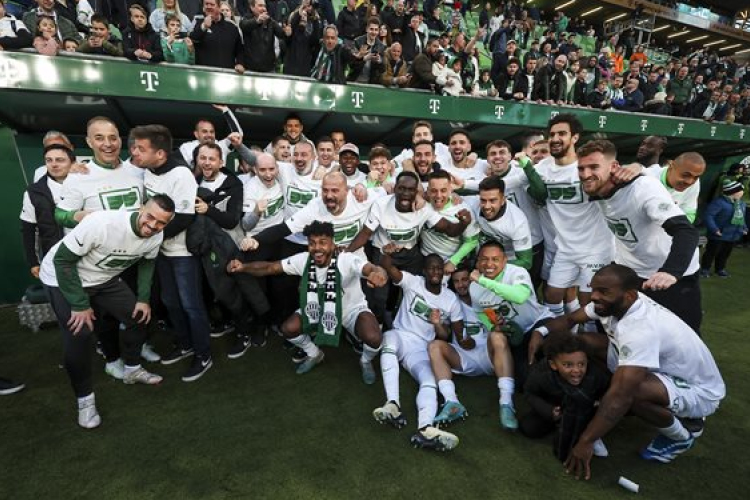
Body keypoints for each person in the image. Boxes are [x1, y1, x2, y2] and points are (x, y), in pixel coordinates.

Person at [548, 264, 725, 478]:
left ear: (630, 295)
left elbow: (621, 396)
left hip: (700, 391)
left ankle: (680, 436)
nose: (594, 296)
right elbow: (570, 319)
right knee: (582, 343)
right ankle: (599, 402)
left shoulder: (639, 329)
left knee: (631, 391)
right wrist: (540, 333)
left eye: (603, 291)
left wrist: (586, 441)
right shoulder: (615, 302)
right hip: (662, 369)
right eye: (593, 289)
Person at [39, 196, 175, 428]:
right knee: (80, 333)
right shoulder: (103, 223)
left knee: (138, 315)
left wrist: (143, 299)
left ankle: (132, 369)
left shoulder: (156, 235)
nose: (153, 225)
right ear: (141, 208)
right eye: (150, 217)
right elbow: (62, 261)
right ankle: (85, 400)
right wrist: (80, 304)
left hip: (103, 278)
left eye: (161, 222)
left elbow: (147, 262)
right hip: (61, 277)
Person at [228, 221, 388, 382]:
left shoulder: (346, 260)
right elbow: (270, 267)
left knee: (374, 337)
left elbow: (371, 268)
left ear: (333, 244)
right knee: (288, 328)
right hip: (317, 310)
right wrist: (243, 267)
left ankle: (365, 361)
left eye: (322, 242)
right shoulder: (303, 260)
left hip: (350, 310)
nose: (317, 248)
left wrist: (378, 273)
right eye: (312, 243)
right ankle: (314, 354)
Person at [577, 139, 702, 332]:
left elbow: (686, 231)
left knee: (681, 334)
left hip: (669, 276)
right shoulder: (595, 186)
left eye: (594, 167)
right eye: (581, 168)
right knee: (615, 330)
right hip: (630, 270)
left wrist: (671, 271)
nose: (586, 174)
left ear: (614, 167)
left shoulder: (642, 188)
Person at [130, 125, 214, 383]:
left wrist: (149, 238)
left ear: (160, 154)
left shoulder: (181, 174)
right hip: (161, 251)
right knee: (171, 302)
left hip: (182, 253)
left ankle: (204, 355)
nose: (134, 152)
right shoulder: (146, 171)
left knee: (191, 305)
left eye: (141, 148)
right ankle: (185, 344)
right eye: (134, 147)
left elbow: (185, 218)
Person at [373, 251, 463, 451]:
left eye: (439, 268)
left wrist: (437, 324)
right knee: (388, 340)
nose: (435, 272)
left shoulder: (450, 299)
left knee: (430, 381)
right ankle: (393, 404)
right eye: (431, 268)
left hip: (422, 348)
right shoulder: (413, 282)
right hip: (401, 336)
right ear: (424, 271)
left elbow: (445, 336)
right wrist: (387, 254)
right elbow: (389, 267)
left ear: (443, 271)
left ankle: (426, 428)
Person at [534, 114, 613, 320]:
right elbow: (512, 179)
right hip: (565, 248)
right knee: (551, 295)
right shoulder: (543, 167)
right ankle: (563, 332)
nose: (555, 138)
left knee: (590, 301)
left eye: (562, 133)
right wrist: (466, 184)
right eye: (552, 134)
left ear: (575, 137)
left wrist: (637, 167)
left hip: (595, 249)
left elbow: (622, 176)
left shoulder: (588, 167)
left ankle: (586, 335)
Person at [521, 332, 610, 461]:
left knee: (585, 415)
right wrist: (549, 410)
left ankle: (590, 434)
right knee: (529, 428)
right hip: (554, 404)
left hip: (586, 407)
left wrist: (599, 403)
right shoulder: (542, 375)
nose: (576, 370)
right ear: (553, 365)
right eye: (568, 365)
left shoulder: (596, 375)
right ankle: (561, 423)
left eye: (581, 364)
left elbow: (608, 393)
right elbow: (529, 393)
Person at [20, 144, 71, 280]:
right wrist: (33, 262)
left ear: (72, 162)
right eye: (49, 160)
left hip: (90, 256)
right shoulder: (34, 192)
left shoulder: (86, 185)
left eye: (60, 160)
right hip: (55, 258)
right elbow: (29, 229)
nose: (54, 164)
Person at [700, 180, 747, 278]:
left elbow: (741, 218)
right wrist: (714, 229)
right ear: (733, 192)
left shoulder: (741, 204)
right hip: (719, 234)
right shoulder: (719, 203)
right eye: (740, 190)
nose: (742, 192)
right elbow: (709, 216)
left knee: (725, 253)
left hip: (733, 235)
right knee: (711, 252)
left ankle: (720, 269)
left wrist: (744, 228)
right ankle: (705, 269)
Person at [644, 152, 706, 224]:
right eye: (685, 175)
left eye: (696, 177)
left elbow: (689, 214)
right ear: (671, 166)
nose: (689, 182)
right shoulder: (647, 177)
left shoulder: (695, 183)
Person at [178, 105, 243, 167]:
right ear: (196, 134)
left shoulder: (221, 146)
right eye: (204, 131)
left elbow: (237, 135)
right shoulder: (187, 147)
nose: (209, 135)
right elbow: (180, 169)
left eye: (211, 132)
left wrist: (226, 110)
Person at [191, 0, 245, 71]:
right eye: (206, 4)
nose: (208, 7)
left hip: (226, 73)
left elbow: (240, 50)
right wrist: (204, 26)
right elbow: (193, 39)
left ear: (219, 7)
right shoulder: (198, 23)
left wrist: (240, 63)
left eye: (212, 4)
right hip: (204, 73)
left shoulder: (232, 27)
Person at [239, 0, 285, 73]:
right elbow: (244, 26)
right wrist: (257, 21)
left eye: (264, 6)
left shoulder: (270, 21)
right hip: (250, 69)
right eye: (260, 6)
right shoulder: (246, 18)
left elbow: (282, 34)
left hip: (269, 70)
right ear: (252, 7)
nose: (264, 8)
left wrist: (287, 32)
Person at [282, 0, 323, 77]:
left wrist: (315, 20)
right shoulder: (291, 34)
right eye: (302, 17)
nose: (303, 17)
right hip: (290, 70)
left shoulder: (309, 36)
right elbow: (289, 32)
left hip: (304, 71)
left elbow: (315, 40)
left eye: (305, 16)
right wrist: (299, 13)